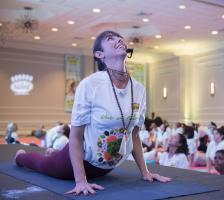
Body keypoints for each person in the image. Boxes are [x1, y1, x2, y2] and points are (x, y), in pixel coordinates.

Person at [15, 30, 170, 196]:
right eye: (110, 39)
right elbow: (75, 136)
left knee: (50, 158)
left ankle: (52, 152)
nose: (118, 40)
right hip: (75, 164)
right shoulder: (90, 85)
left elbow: (134, 136)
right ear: (99, 54)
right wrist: (81, 180)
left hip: (106, 168)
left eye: (120, 38)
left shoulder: (139, 89)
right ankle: (21, 156)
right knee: (42, 165)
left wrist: (145, 173)